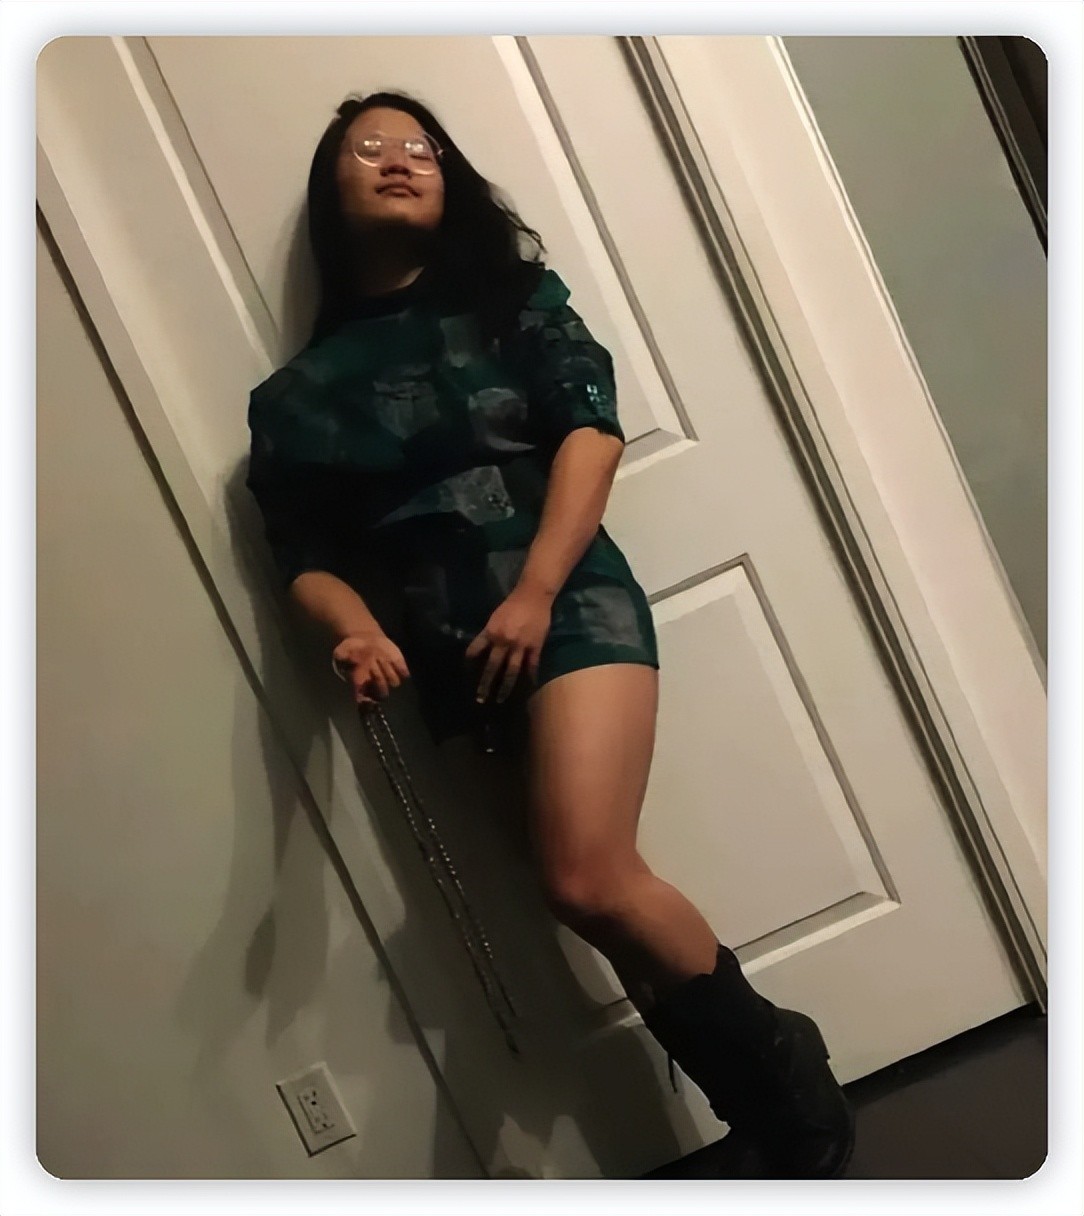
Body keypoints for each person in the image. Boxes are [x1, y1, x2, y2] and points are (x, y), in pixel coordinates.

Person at [244, 90, 855, 1180]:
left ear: (452, 179)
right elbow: (304, 551)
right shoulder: (295, 397)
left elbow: (591, 432)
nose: (400, 159)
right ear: (331, 187)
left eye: (422, 147)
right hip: (450, 655)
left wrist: (532, 590)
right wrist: (354, 631)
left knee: (586, 877)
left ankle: (790, 1073)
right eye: (370, 147)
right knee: (596, 902)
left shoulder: (510, 301)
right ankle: (758, 1119)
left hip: (565, 603)